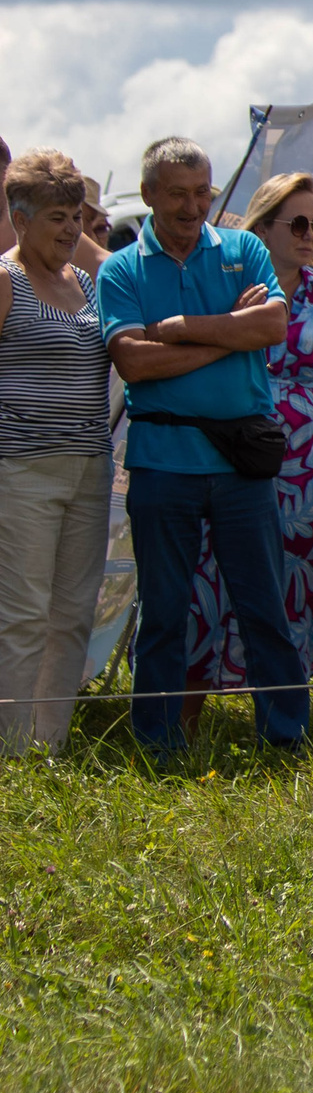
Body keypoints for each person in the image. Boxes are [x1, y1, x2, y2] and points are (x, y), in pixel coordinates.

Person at [96, 138, 305, 759]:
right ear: (149, 195)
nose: (192, 207)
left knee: (264, 609)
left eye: (201, 193)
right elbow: (133, 362)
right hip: (162, 465)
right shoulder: (121, 269)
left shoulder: (243, 249)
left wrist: (182, 331)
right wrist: (228, 335)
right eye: (177, 194)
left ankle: (285, 742)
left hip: (242, 464)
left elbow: (272, 325)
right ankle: (157, 747)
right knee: (163, 613)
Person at [180, 174, 313, 704]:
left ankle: (282, 705)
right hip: (228, 439)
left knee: (296, 568)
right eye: (298, 223)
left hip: (307, 456)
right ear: (262, 228)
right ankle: (192, 703)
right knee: (211, 566)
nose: (311, 235)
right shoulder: (229, 283)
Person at [0, 150, 113, 754]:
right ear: (19, 220)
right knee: (22, 617)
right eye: (56, 218)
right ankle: (11, 754)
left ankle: (49, 747)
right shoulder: (4, 279)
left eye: (75, 216)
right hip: (21, 470)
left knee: (72, 616)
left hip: (90, 470)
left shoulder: (86, 283)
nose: (71, 229)